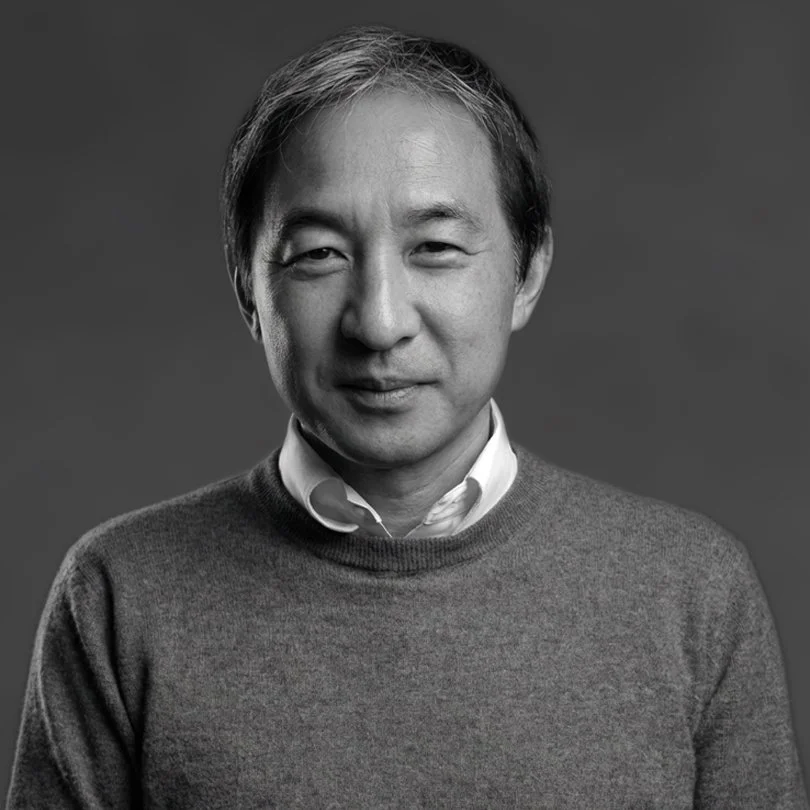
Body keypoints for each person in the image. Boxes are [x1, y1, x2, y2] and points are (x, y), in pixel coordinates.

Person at [6, 24, 807, 809]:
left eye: (436, 248)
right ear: (250, 292)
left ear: (527, 273)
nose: (379, 321)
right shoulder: (119, 594)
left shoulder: (692, 591)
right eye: (320, 253)